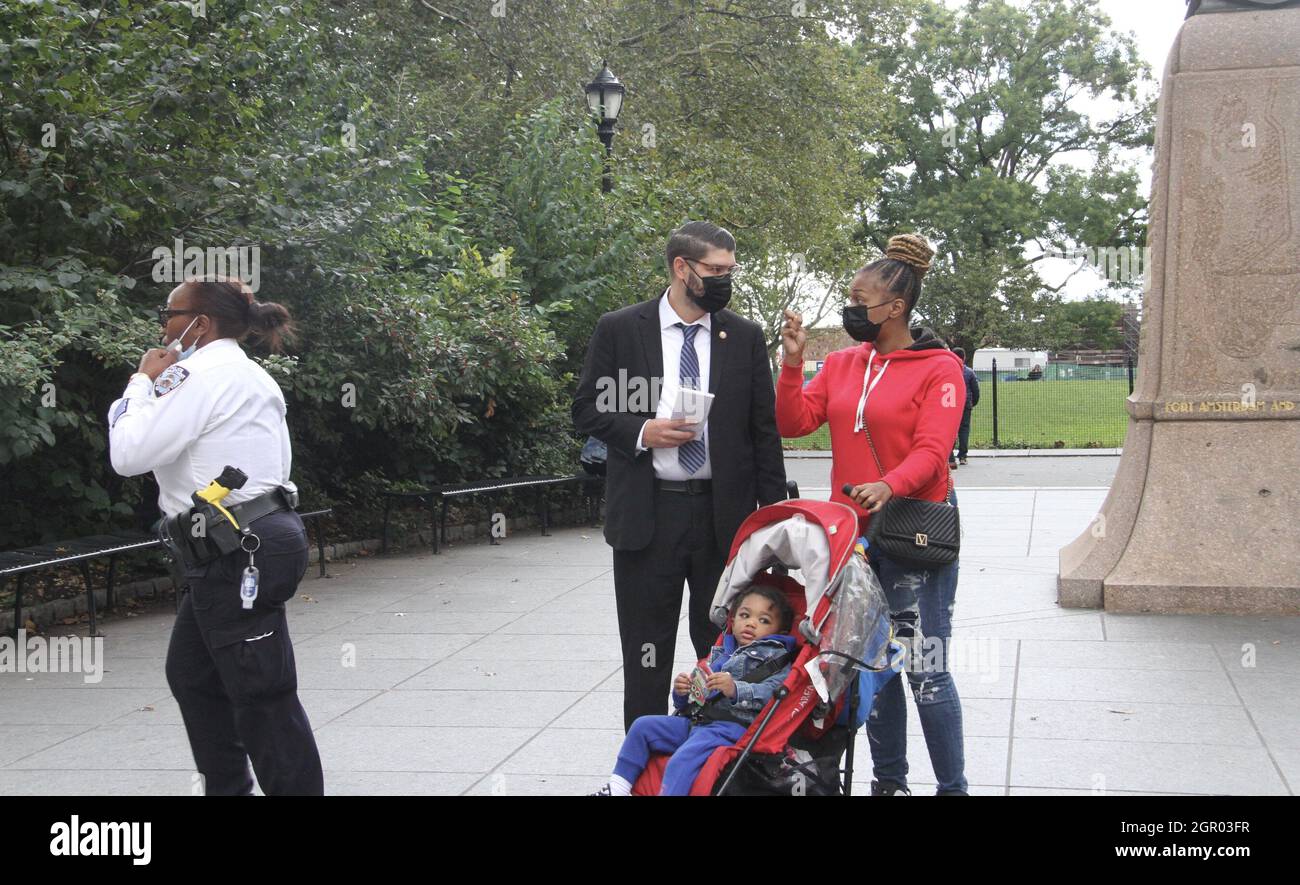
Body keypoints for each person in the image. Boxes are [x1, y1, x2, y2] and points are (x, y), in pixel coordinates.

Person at [108, 277, 323, 795]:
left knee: (262, 696)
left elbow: (129, 454)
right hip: (242, 543)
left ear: (199, 324)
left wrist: (139, 384)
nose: (164, 326)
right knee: (193, 676)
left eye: (169, 313)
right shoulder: (244, 374)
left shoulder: (197, 376)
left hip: (236, 550)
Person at [572, 221, 788, 732]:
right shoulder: (623, 329)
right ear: (681, 267)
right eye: (715, 270)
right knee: (646, 649)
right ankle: (643, 767)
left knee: (720, 649)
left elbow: (764, 432)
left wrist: (775, 521)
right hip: (649, 515)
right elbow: (588, 409)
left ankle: (709, 763)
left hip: (723, 517)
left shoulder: (745, 337)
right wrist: (644, 429)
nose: (724, 280)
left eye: (730, 271)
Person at [775, 234, 969, 796]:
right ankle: (890, 784)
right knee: (871, 668)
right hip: (853, 537)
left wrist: (889, 484)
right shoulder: (841, 363)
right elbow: (794, 421)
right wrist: (792, 364)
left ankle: (953, 787)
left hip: (915, 530)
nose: (852, 308)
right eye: (850, 298)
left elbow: (934, 452)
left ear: (896, 307)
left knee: (925, 670)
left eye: (861, 301)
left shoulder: (940, 368)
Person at [591, 586, 796, 796]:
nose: (751, 623)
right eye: (745, 615)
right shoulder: (722, 651)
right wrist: (682, 692)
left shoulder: (776, 660)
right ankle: (616, 789)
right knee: (642, 726)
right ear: (732, 621)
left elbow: (773, 695)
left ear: (781, 632)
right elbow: (694, 699)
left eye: (764, 620)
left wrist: (736, 690)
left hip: (731, 727)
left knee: (682, 759)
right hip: (699, 720)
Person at [951, 346, 980, 466]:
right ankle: (963, 456)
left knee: (951, 430)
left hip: (952, 404)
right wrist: (972, 403)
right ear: (964, 357)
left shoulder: (949, 370)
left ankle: (949, 457)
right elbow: (975, 391)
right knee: (964, 430)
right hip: (965, 403)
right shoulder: (969, 372)